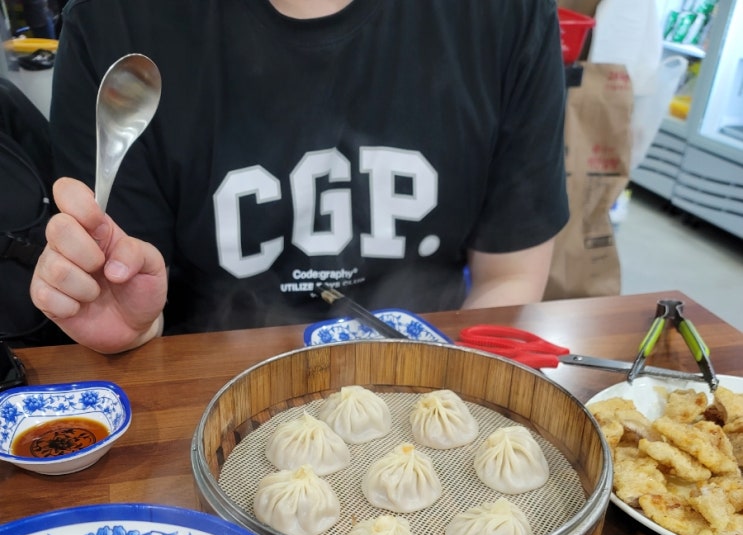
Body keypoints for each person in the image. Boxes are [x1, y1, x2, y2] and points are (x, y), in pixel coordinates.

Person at [30, 0, 569, 354]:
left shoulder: (505, 14)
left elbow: (508, 278)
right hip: (211, 392)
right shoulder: (117, 23)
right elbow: (127, 291)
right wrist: (131, 330)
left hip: (430, 373)